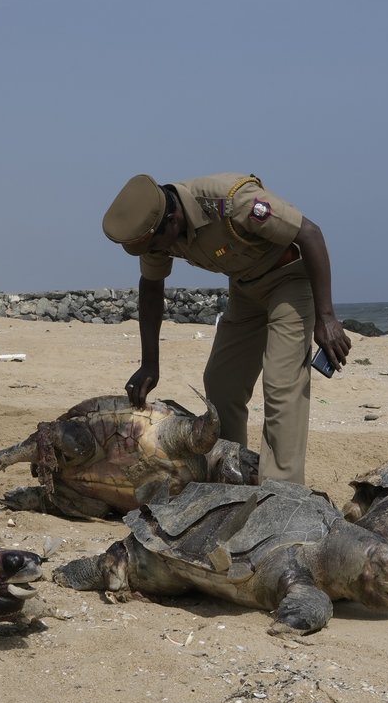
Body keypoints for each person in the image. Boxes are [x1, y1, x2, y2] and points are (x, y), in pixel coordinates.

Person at [103, 173, 350, 486]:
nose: (157, 253)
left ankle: (281, 493)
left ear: (173, 219)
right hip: (246, 290)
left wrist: (326, 317)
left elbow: (311, 234)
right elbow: (151, 287)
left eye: (155, 245)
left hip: (290, 281)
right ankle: (233, 472)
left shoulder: (232, 201)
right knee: (222, 382)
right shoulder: (155, 231)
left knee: (281, 385)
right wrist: (150, 362)